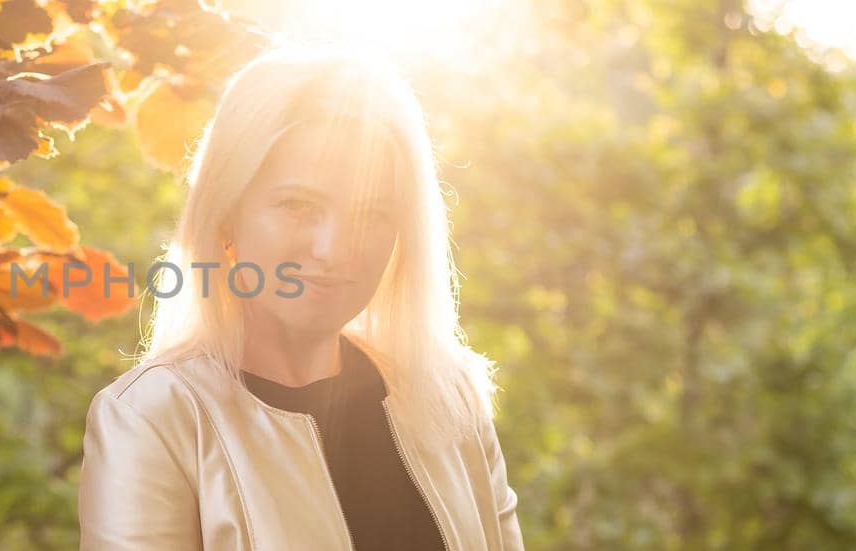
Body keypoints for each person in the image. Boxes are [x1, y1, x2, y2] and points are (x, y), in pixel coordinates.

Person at [78, 48, 525, 550]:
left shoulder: (447, 398)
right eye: (298, 206)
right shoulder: (152, 419)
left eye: (371, 212)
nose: (333, 249)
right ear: (226, 213)